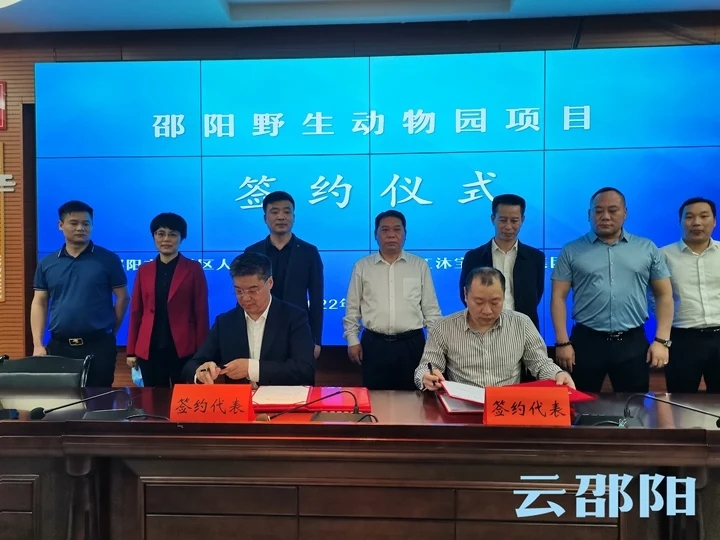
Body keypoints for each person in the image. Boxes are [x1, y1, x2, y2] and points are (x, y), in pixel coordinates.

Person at [550, 187, 673, 393]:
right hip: (586, 342)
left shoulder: (646, 248)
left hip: (632, 342)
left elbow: (664, 295)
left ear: (625, 213)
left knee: (634, 406)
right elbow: (557, 297)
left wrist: (661, 340)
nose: (605, 216)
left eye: (613, 210)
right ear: (589, 214)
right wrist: (562, 343)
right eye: (598, 211)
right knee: (580, 404)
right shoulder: (571, 250)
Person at [416, 267, 574, 391]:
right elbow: (426, 367)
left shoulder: (522, 323)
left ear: (504, 295)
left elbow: (541, 364)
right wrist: (426, 376)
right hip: (461, 407)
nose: (487, 310)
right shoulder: (444, 327)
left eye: (495, 302)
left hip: (507, 407)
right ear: (465, 294)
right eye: (479, 302)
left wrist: (558, 374)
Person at [31, 200, 129, 387]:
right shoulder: (47, 263)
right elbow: (39, 302)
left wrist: (110, 332)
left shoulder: (108, 259)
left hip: (99, 346)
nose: (80, 228)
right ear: (61, 225)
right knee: (61, 400)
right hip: (59, 346)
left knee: (99, 399)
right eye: (74, 223)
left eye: (86, 223)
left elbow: (123, 297)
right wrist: (37, 344)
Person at [181, 252, 315, 386]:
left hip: (282, 397)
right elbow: (191, 367)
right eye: (239, 291)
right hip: (238, 399)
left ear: (270, 282)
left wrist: (252, 369)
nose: (245, 298)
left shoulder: (294, 317)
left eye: (252, 290)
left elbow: (305, 370)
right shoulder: (225, 322)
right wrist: (200, 373)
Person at [343, 210, 442, 390]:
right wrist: (352, 340)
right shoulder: (362, 266)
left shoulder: (419, 265)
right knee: (375, 397)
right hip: (374, 345)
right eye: (385, 230)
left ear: (405, 234)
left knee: (414, 398)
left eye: (397, 229)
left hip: (411, 345)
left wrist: (435, 346)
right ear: (375, 234)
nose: (391, 235)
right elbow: (352, 308)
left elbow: (431, 310)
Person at [126, 213, 209, 387]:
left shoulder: (193, 269)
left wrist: (202, 353)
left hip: (183, 347)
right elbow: (136, 312)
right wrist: (131, 351)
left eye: (172, 234)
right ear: (154, 236)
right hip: (150, 347)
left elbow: (201, 313)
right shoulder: (144, 270)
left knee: (183, 397)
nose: (166, 239)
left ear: (181, 238)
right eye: (160, 233)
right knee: (153, 398)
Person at [245, 191, 324, 359]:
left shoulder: (309, 252)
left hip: (298, 329)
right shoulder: (252, 252)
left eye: (287, 212)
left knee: (298, 375)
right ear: (265, 218)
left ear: (293, 217)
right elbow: (245, 295)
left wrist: (316, 339)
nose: (281, 217)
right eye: (274, 212)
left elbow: (316, 299)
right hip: (260, 329)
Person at [661, 197, 720, 393]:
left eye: (704, 216)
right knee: (681, 400)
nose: (697, 222)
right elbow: (656, 297)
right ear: (680, 221)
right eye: (689, 217)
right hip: (683, 339)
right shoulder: (663, 256)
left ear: (714, 221)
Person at [459, 194, 545, 329]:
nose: (508, 226)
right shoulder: (474, 257)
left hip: (523, 329)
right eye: (503, 220)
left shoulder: (535, 258)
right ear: (493, 219)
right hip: (484, 327)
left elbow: (536, 294)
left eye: (514, 221)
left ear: (522, 220)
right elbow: (466, 294)